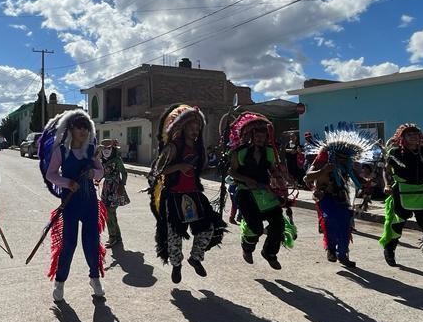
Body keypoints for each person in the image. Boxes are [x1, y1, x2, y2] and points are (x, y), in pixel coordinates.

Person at [149, 104, 226, 283]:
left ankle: (196, 257)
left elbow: (201, 170)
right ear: (183, 128)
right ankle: (177, 265)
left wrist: (221, 166)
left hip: (194, 194)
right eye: (191, 126)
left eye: (197, 126)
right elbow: (156, 170)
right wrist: (178, 166)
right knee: (174, 235)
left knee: (208, 228)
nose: (195, 130)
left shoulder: (199, 148)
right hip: (174, 196)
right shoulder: (173, 147)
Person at [40, 110, 105, 302]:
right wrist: (68, 183)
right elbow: (51, 175)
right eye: (79, 127)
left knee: (91, 243)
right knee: (69, 244)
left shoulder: (91, 149)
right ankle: (60, 282)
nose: (83, 131)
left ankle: (95, 278)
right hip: (70, 204)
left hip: (90, 203)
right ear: (71, 129)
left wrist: (92, 174)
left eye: (86, 127)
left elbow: (101, 172)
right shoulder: (61, 151)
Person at [228, 112, 294, 270]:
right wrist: (246, 179)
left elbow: (272, 169)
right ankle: (247, 248)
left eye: (263, 137)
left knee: (278, 222)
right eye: (257, 136)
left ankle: (269, 253)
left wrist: (280, 179)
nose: (260, 139)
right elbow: (232, 172)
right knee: (255, 228)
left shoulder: (269, 152)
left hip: (265, 193)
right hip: (245, 194)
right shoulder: (240, 152)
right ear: (251, 136)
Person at [379, 123, 423, 269]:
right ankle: (390, 250)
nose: (414, 137)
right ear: (403, 137)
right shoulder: (395, 152)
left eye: (416, 134)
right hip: (402, 191)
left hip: (422, 191)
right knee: (397, 224)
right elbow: (386, 170)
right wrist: (386, 184)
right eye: (410, 134)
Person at [303, 126, 372, 269]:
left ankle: (343, 254)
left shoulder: (347, 163)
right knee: (331, 222)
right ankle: (331, 250)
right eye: (340, 157)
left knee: (345, 225)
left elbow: (357, 179)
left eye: (345, 158)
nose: (343, 160)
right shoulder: (324, 158)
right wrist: (323, 170)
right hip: (325, 196)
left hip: (342, 197)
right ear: (334, 153)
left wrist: (367, 182)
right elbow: (307, 177)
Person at [99, 139, 130, 250]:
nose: (106, 150)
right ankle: (117, 236)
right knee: (109, 213)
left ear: (113, 149)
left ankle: (113, 237)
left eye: (108, 148)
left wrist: (122, 185)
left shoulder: (117, 160)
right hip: (106, 187)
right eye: (104, 148)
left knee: (110, 212)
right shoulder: (102, 160)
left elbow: (124, 173)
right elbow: (101, 171)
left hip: (115, 187)